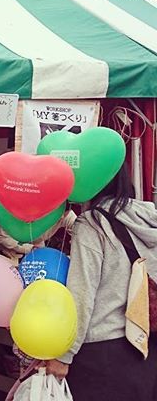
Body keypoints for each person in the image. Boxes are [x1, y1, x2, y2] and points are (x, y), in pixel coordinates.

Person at [45, 166, 157, 400]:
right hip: (146, 348)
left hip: (101, 353)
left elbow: (82, 294)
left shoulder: (93, 223)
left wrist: (64, 354)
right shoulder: (150, 220)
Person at [0, 209, 77, 264]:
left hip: (37, 247)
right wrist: (28, 248)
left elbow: (79, 231)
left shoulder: (66, 214)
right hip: (7, 250)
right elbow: (0, 235)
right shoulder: (20, 210)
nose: (62, 217)